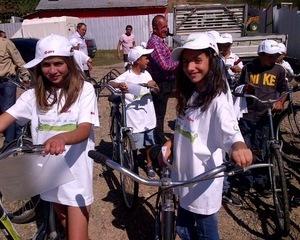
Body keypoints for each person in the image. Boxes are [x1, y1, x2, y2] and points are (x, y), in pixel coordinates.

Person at [0, 34, 99, 239]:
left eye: (58, 63)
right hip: (49, 172)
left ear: (69, 63)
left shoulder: (84, 90)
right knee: (63, 221)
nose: (52, 70)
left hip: (76, 172)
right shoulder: (33, 95)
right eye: (46, 65)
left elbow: (84, 129)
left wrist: (61, 138)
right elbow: (6, 118)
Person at [161, 32, 252, 240]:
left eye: (197, 60)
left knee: (205, 235)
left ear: (212, 60)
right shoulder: (193, 92)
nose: (190, 67)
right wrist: (172, 141)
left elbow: (231, 130)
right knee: (183, 231)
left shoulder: (217, 99)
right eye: (185, 61)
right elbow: (189, 130)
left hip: (202, 189)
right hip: (183, 182)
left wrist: (238, 146)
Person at [238, 39, 287, 191]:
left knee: (264, 148)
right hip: (248, 115)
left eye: (275, 56)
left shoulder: (279, 70)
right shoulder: (249, 68)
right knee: (247, 148)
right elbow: (239, 88)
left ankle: (262, 181)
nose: (273, 59)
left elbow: (284, 90)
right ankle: (246, 180)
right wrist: (247, 89)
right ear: (261, 54)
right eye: (270, 56)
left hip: (267, 116)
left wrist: (280, 101)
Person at [109, 46, 159, 178]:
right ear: (137, 60)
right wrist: (119, 85)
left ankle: (149, 164)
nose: (148, 60)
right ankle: (133, 163)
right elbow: (111, 82)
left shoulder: (146, 74)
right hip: (134, 118)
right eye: (145, 58)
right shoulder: (127, 76)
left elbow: (154, 86)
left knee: (149, 143)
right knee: (135, 144)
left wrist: (153, 84)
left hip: (148, 116)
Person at [147, 15, 178, 145]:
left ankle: (157, 139)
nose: (166, 29)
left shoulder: (160, 40)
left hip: (166, 83)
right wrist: (180, 61)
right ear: (155, 28)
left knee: (161, 113)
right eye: (163, 27)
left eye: (166, 26)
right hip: (160, 83)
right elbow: (165, 66)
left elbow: (166, 57)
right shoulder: (155, 42)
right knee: (159, 115)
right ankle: (158, 143)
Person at [0, 35, 30, 146]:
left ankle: (9, 143)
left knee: (8, 111)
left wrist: (25, 76)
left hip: (7, 82)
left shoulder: (5, 43)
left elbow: (18, 61)